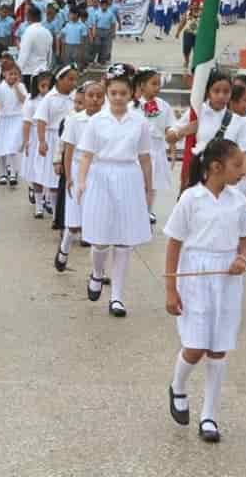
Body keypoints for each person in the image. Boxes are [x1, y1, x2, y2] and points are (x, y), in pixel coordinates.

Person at [164, 138, 246, 443]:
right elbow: (174, 243)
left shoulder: (238, 200)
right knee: (196, 346)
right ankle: (178, 385)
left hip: (227, 278)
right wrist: (171, 289)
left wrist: (241, 258)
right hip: (196, 275)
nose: (243, 171)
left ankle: (210, 416)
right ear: (216, 167)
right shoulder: (191, 199)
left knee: (218, 348)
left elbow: (245, 237)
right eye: (237, 165)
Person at [77, 67, 153, 318]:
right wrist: (81, 182)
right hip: (101, 176)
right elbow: (86, 154)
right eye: (113, 93)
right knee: (100, 238)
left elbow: (144, 157)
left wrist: (147, 186)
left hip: (128, 176)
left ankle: (117, 297)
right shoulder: (96, 121)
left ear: (131, 94)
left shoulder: (139, 122)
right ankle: (97, 273)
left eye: (123, 93)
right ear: (108, 93)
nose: (118, 97)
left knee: (123, 240)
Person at [168, 72, 246, 207]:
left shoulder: (239, 122)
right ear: (208, 92)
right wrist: (184, 131)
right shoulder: (196, 113)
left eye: (226, 92)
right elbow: (169, 137)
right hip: (200, 178)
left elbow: (244, 156)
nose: (221, 96)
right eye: (216, 91)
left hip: (228, 182)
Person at [55, 80, 105, 271]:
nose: (94, 99)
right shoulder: (74, 120)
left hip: (99, 171)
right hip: (78, 170)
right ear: (84, 97)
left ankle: (97, 270)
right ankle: (64, 248)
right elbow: (68, 150)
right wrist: (68, 177)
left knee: (97, 222)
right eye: (91, 95)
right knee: (75, 222)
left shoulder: (106, 120)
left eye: (99, 96)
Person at [33, 64, 79, 219]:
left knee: (64, 176)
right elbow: (41, 121)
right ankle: (46, 208)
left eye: (75, 79)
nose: (73, 83)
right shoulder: (49, 99)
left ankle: (60, 211)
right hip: (53, 139)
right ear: (59, 80)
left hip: (70, 140)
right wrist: (42, 141)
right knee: (51, 177)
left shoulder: (75, 97)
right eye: (69, 79)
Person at [134, 68, 177, 224]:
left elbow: (170, 125)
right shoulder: (133, 104)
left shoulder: (163, 105)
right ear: (142, 85)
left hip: (157, 147)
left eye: (159, 84)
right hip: (139, 148)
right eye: (153, 84)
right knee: (138, 181)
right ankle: (135, 209)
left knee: (152, 182)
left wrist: (171, 135)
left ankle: (148, 210)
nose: (157, 87)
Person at [21, 71, 53, 210]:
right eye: (43, 86)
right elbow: (27, 123)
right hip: (35, 137)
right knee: (36, 171)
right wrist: (26, 141)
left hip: (51, 137)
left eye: (49, 86)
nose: (46, 89)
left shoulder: (54, 99)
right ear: (37, 86)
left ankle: (48, 199)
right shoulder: (32, 101)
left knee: (49, 171)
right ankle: (38, 205)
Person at [18, 7, 53, 91]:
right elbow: (50, 54)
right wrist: (47, 67)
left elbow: (24, 54)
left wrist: (18, 71)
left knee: (30, 99)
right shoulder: (47, 32)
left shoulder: (29, 31)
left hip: (30, 72)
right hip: (43, 71)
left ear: (28, 16)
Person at [92, 0, 118, 66]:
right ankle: (96, 59)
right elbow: (94, 23)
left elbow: (113, 24)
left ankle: (102, 61)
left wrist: (113, 32)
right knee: (97, 45)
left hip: (107, 31)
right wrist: (94, 32)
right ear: (100, 5)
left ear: (107, 6)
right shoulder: (97, 13)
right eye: (102, 5)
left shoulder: (110, 13)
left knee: (105, 46)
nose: (104, 6)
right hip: (98, 30)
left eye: (105, 5)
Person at [176, 0, 201, 68]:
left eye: (196, 5)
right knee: (186, 49)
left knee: (197, 50)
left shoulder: (202, 13)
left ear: (199, 6)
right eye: (193, 5)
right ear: (191, 5)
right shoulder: (187, 13)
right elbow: (182, 23)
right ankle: (186, 60)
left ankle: (196, 63)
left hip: (198, 35)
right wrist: (178, 32)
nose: (195, 6)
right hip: (188, 33)